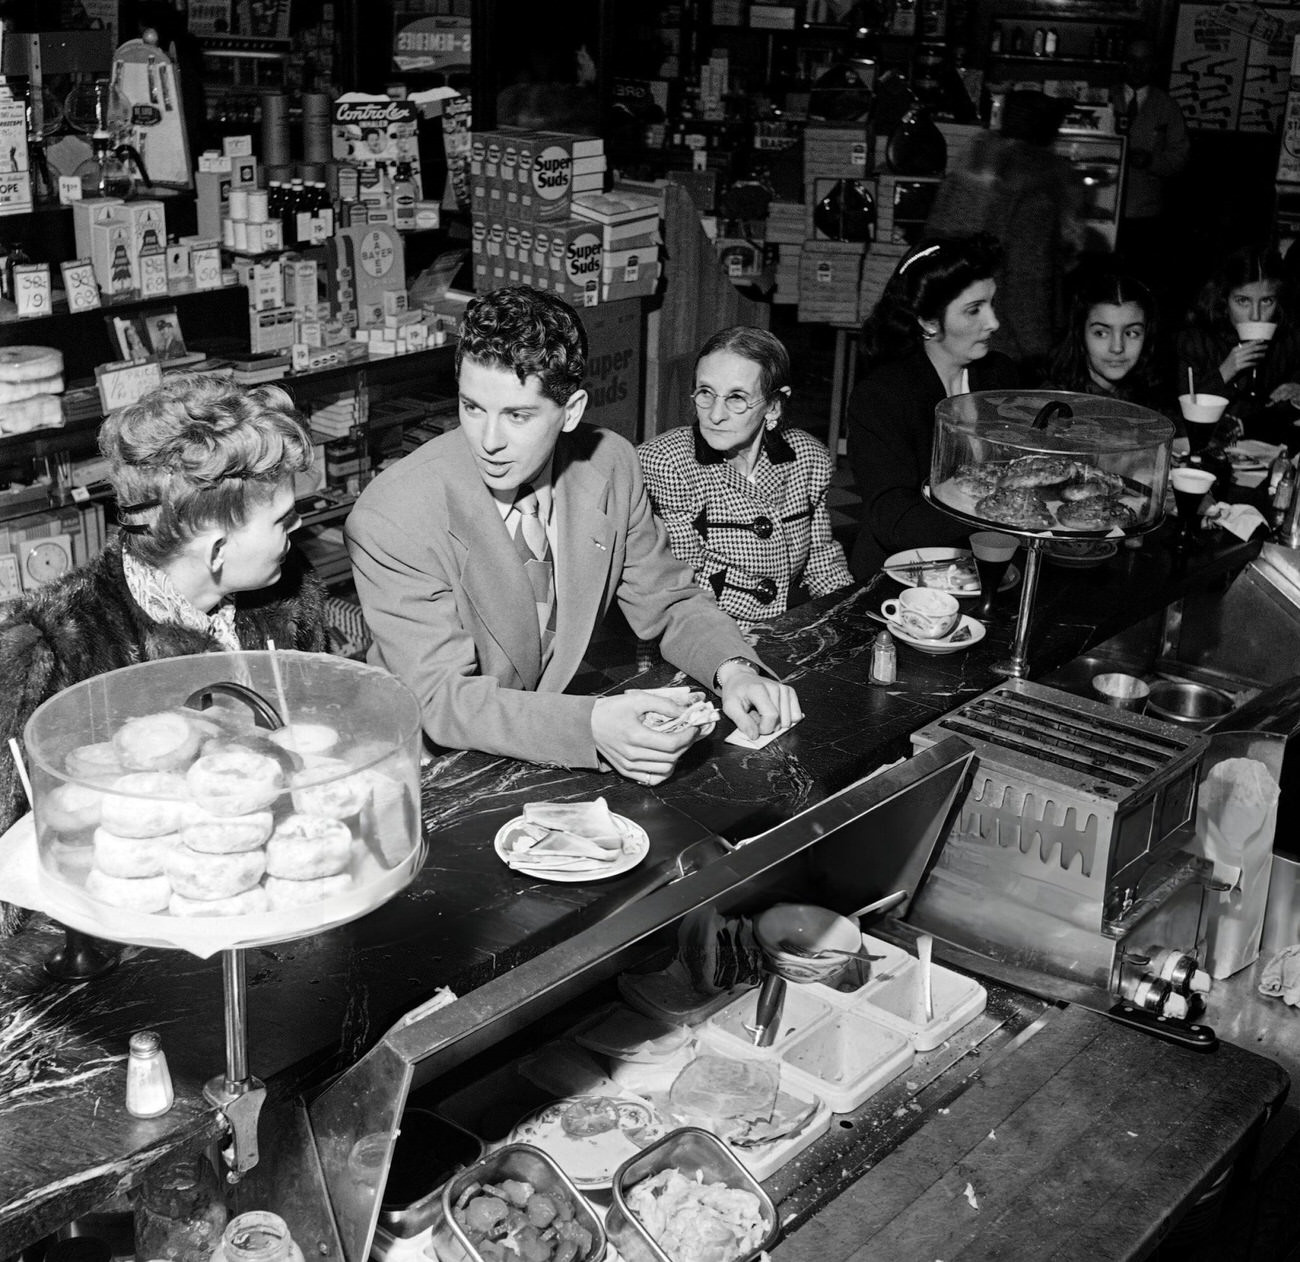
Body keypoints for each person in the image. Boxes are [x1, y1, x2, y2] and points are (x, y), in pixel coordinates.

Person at [345, 286, 800, 785]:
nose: (489, 440)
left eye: (518, 415)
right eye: (472, 407)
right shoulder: (393, 515)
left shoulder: (611, 462)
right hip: (431, 769)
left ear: (573, 409)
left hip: (541, 742)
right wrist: (591, 726)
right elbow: (439, 699)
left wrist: (733, 669)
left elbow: (667, 601)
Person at [0, 373, 328, 935]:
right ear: (219, 550)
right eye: (282, 520)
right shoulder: (46, 651)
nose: (297, 530)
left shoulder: (291, 596)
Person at [637, 326, 853, 622]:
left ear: (774, 405)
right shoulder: (667, 463)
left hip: (781, 633)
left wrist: (849, 620)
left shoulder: (807, 458)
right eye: (705, 393)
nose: (715, 414)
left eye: (736, 398)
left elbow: (821, 561)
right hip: (702, 639)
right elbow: (680, 590)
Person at [847, 235, 1019, 581]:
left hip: (993, 568)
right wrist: (983, 502)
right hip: (904, 577)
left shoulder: (1002, 374)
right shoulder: (882, 397)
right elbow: (894, 522)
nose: (993, 323)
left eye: (991, 304)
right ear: (928, 321)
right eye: (974, 310)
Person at [925, 90, 1082, 376]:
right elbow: (1028, 283)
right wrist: (1040, 354)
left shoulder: (969, 171)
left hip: (949, 331)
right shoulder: (1035, 191)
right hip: (999, 341)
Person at [1177, 244, 1300, 445]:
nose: (1255, 315)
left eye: (1267, 301)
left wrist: (1296, 389)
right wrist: (1225, 371)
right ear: (1224, 300)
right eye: (1243, 301)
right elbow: (1183, 417)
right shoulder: (1196, 340)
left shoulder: (1288, 341)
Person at [1111, 35, 1191, 300]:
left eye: (1144, 61)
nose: (1137, 67)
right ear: (1123, 63)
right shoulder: (1103, 97)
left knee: (1138, 283)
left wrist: (1152, 162)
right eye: (1132, 60)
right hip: (1102, 207)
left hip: (1144, 213)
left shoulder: (1166, 107)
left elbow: (1179, 158)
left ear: (1153, 65)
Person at [1046, 272, 1165, 408]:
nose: (1117, 347)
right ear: (1080, 334)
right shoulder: (1052, 404)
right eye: (1101, 333)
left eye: (1131, 333)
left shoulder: (1154, 400)